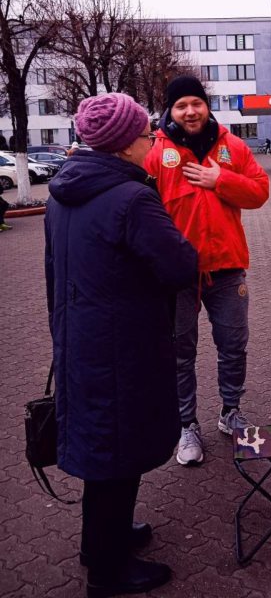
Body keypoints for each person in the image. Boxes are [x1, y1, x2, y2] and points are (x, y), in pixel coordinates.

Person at [45, 93, 198, 597]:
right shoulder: (132, 198)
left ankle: (101, 542)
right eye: (143, 134)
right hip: (121, 343)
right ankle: (108, 575)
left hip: (81, 337)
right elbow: (178, 266)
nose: (151, 139)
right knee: (118, 450)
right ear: (121, 145)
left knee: (103, 447)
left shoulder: (63, 192)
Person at [144, 76, 269, 467]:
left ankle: (229, 411)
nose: (190, 111)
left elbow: (261, 191)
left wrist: (222, 180)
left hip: (228, 269)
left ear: (207, 105)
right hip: (176, 276)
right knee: (180, 354)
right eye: (181, 105)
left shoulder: (232, 147)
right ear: (171, 110)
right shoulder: (154, 152)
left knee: (233, 346)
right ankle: (186, 425)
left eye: (196, 103)